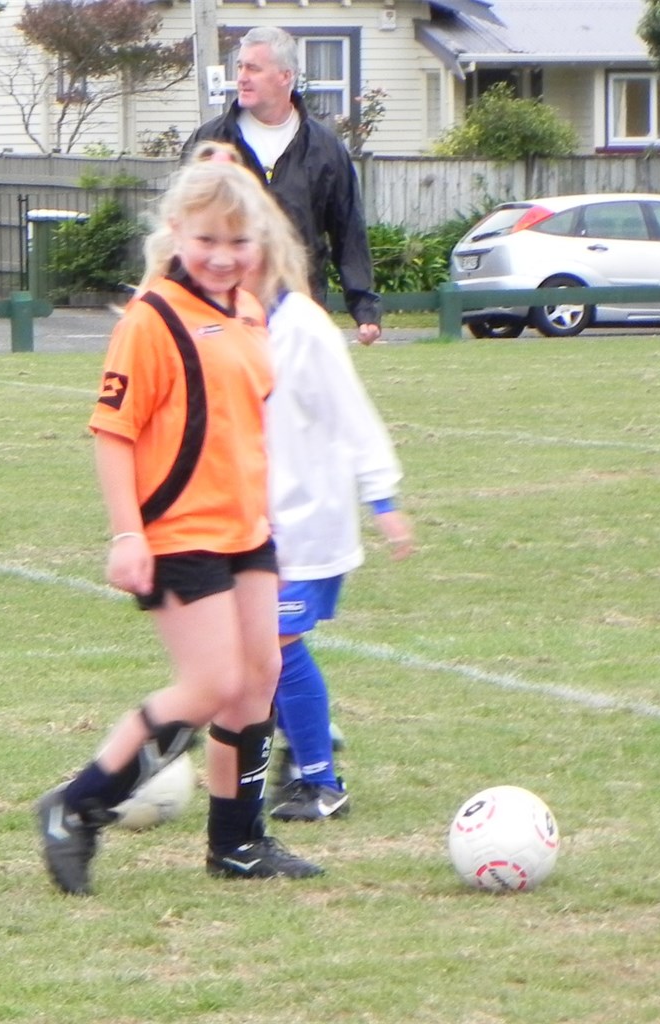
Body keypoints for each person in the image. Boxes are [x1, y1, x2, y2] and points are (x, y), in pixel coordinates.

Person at [35, 159, 323, 895]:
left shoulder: (251, 312)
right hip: (177, 533)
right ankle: (75, 808)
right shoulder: (151, 318)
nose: (222, 256)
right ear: (174, 234)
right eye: (205, 239)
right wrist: (127, 533)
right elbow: (113, 431)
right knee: (210, 683)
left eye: (237, 240)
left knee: (256, 683)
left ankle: (237, 844)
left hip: (245, 532)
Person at [191, 141, 414, 821]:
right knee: (255, 653)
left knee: (275, 648)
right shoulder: (225, 324)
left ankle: (319, 778)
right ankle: (304, 737)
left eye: (243, 240)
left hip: (305, 525)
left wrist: (383, 497)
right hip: (252, 522)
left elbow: (354, 416)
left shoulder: (303, 327)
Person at [184, 26, 383, 347]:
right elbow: (183, 226)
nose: (242, 77)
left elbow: (348, 230)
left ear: (285, 76)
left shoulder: (326, 147)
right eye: (240, 66)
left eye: (254, 68)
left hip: (298, 307)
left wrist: (364, 308)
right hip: (222, 310)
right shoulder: (211, 142)